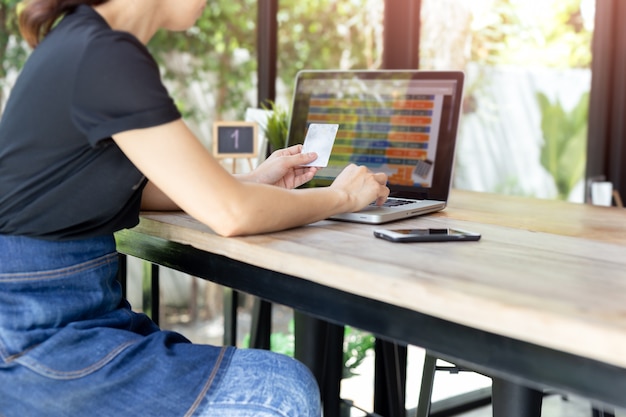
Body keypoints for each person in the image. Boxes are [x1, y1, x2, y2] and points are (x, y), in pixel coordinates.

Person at [0, 0, 389, 416]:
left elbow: (134, 185)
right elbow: (232, 215)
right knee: (281, 392)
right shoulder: (104, 54)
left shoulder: (79, 40)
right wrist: (343, 197)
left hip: (47, 317)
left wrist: (249, 182)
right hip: (43, 337)